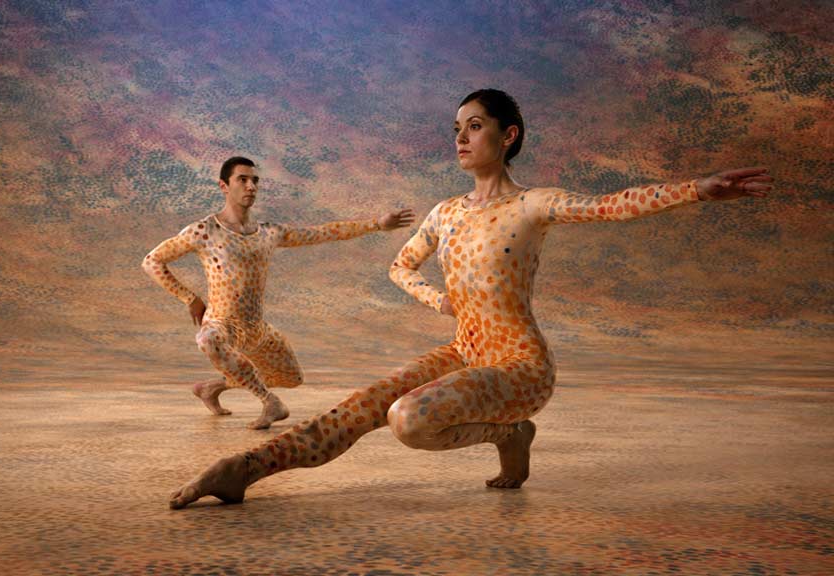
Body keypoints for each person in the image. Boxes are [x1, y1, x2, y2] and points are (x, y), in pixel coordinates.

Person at [167, 91, 773, 509]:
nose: (460, 137)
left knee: (409, 419)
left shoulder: (532, 205)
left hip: (518, 365)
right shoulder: (446, 212)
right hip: (464, 349)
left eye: (474, 126)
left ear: (508, 136)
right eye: (456, 128)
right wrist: (438, 301)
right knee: (360, 407)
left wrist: (695, 189)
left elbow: (611, 204)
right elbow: (400, 267)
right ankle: (244, 471)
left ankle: (509, 434)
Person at [143, 156, 416, 429]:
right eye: (243, 180)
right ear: (224, 186)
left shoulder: (268, 233)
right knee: (207, 339)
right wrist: (189, 298)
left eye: (255, 180)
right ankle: (269, 402)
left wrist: (377, 224)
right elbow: (152, 261)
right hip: (221, 324)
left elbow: (323, 233)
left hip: (257, 330)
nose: (251, 186)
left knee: (292, 378)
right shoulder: (203, 231)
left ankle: (212, 388)